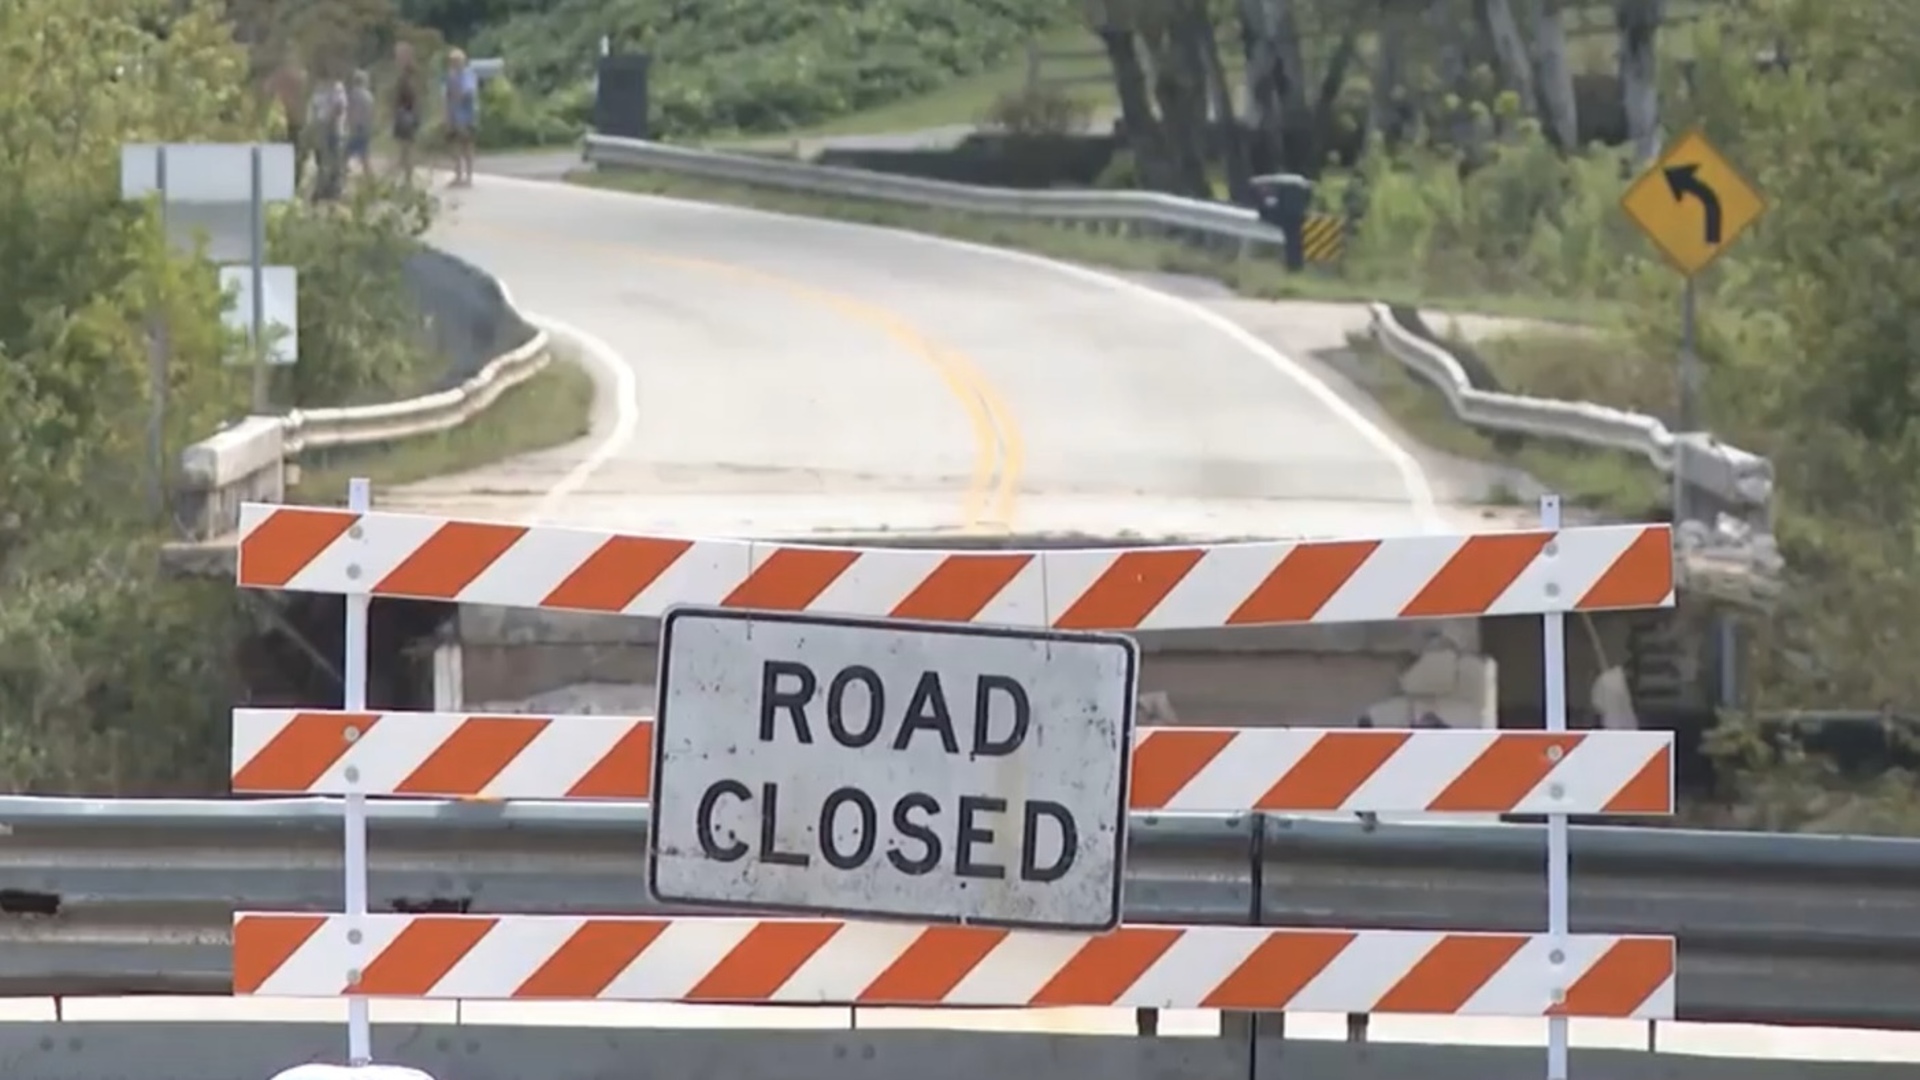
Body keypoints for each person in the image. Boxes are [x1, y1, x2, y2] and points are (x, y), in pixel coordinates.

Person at [442, 48, 479, 187]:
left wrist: (457, 94)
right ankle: (458, 173)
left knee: (467, 146)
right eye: (452, 61)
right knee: (454, 145)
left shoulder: (468, 74)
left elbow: (468, 93)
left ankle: (468, 176)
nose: (454, 64)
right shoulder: (450, 76)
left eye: (456, 61)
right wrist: (446, 115)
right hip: (454, 115)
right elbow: (446, 96)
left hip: (467, 115)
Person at [390, 42, 421, 182]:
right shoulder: (402, 74)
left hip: (407, 113)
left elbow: (414, 94)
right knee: (403, 148)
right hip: (402, 113)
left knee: (407, 148)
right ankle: (405, 178)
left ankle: (408, 179)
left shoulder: (410, 74)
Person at [346, 70, 377, 178]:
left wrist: (349, 124)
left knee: (346, 153)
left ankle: (340, 175)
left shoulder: (352, 94)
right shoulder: (369, 96)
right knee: (364, 155)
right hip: (365, 127)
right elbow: (372, 113)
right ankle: (369, 178)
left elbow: (350, 111)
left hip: (356, 127)